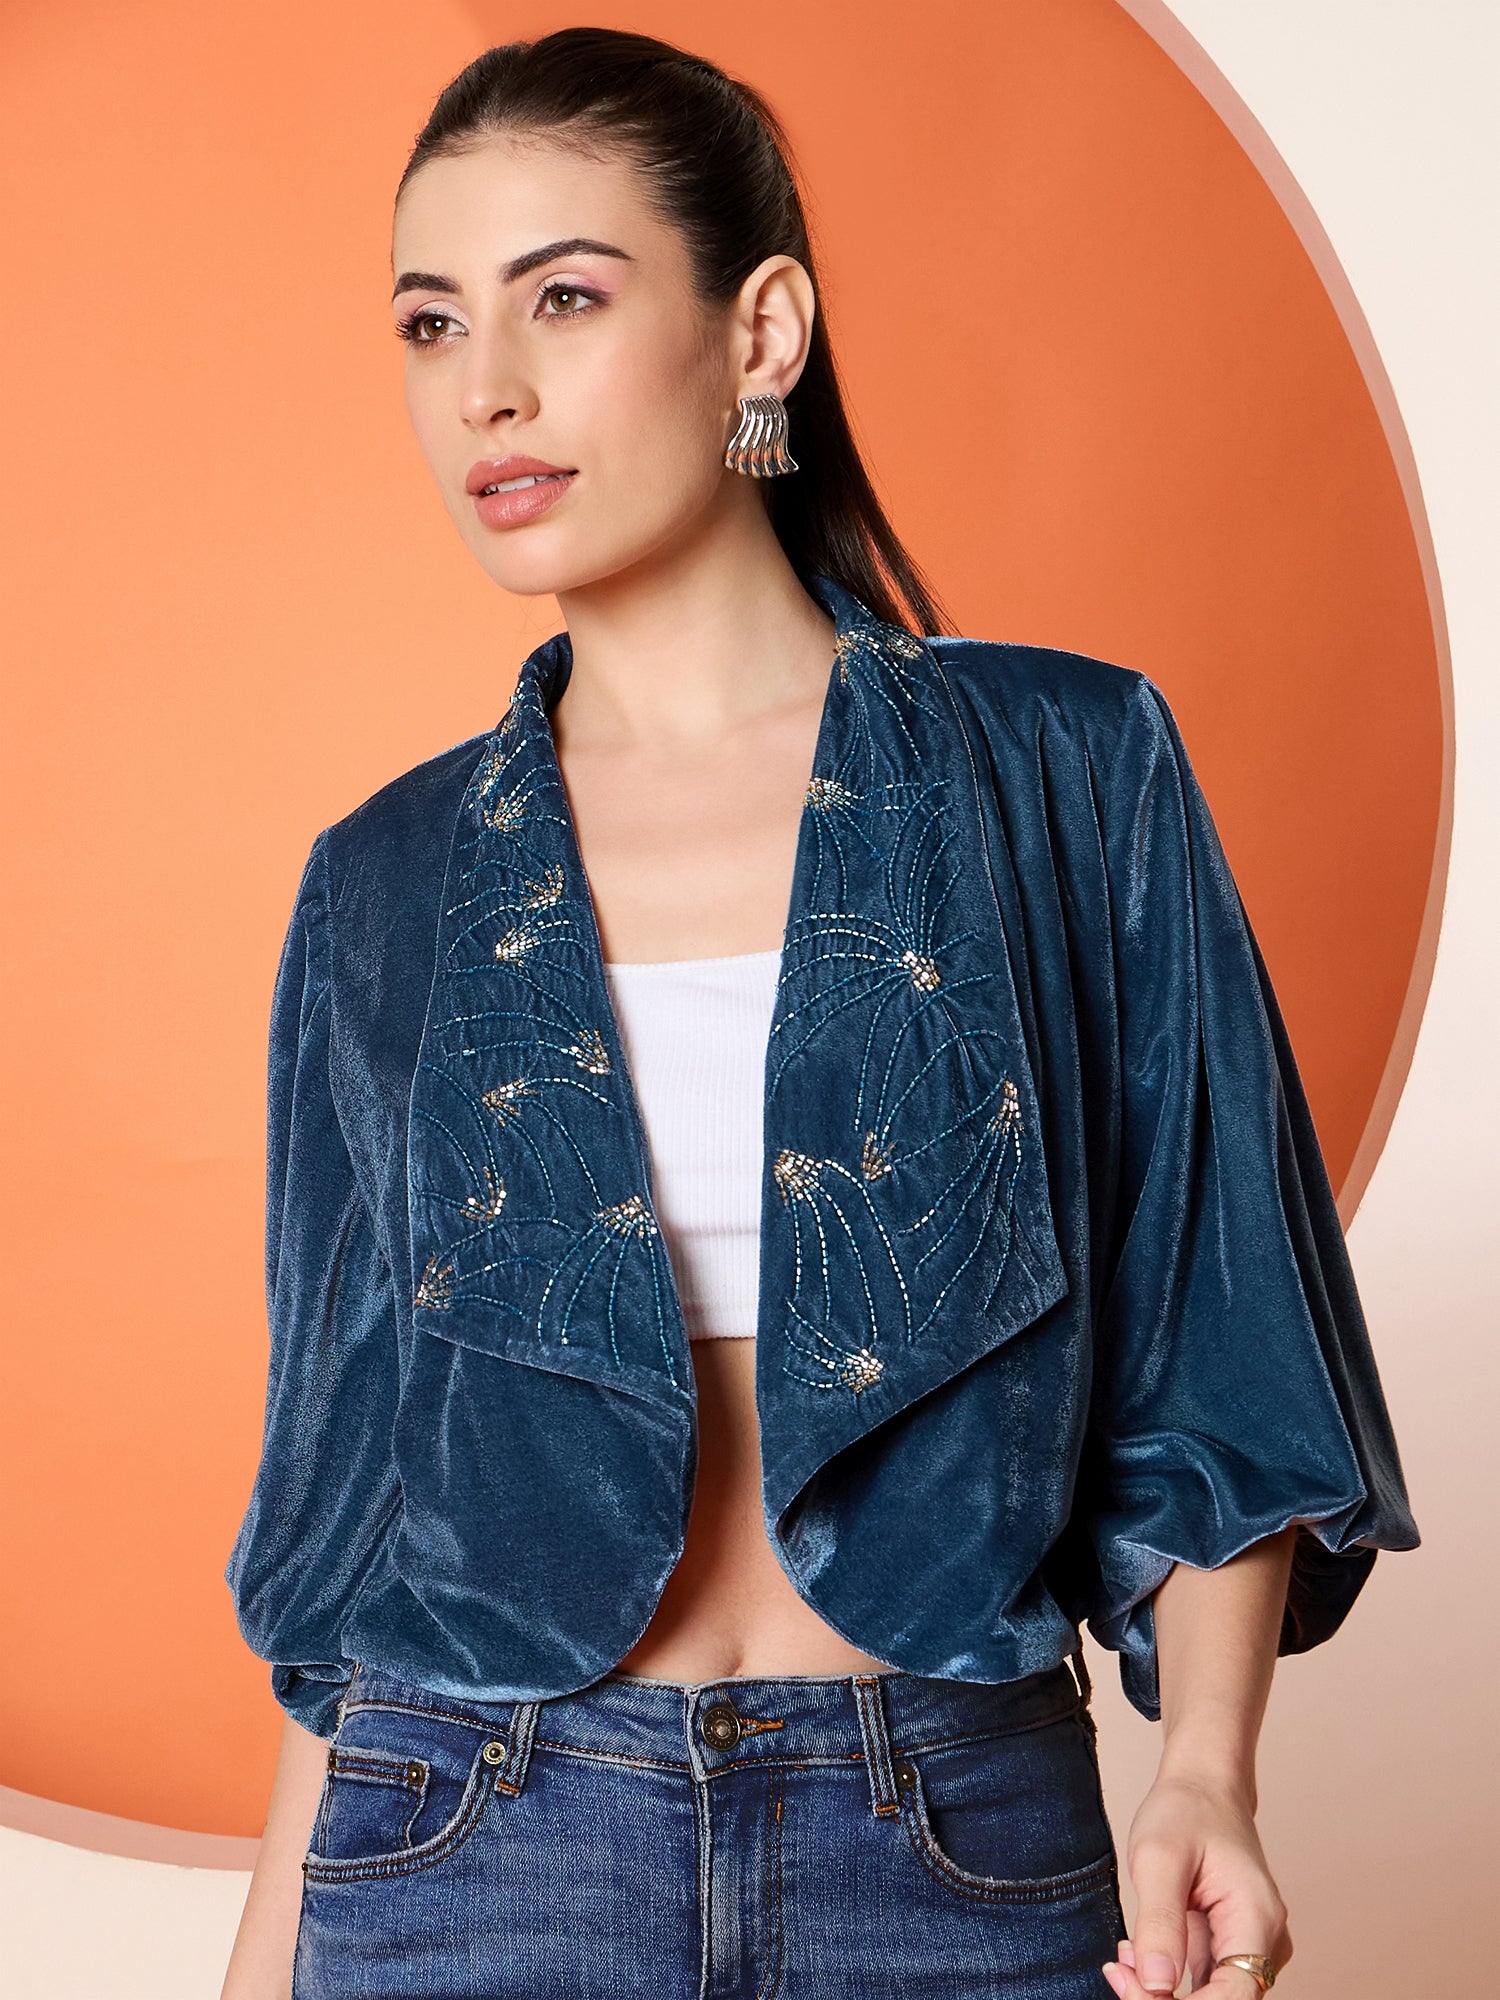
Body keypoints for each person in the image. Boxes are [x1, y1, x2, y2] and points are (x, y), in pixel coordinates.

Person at [219, 27, 1419, 2000]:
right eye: (431, 325)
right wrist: (266, 1956)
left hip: (947, 1840)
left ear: (759, 330)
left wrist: (1207, 1773)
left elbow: (1214, 1337)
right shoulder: (390, 878)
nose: (484, 386)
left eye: (564, 298)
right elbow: (353, 1506)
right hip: (469, 1845)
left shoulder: (1061, 767)